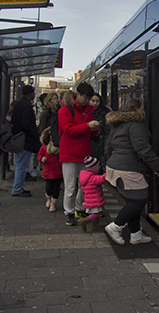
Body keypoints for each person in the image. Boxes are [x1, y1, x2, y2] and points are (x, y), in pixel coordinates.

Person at [104, 98, 159, 245]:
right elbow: (142, 149)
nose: (143, 111)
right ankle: (115, 226)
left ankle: (136, 235)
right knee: (139, 200)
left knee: (132, 200)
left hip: (115, 167)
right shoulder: (136, 125)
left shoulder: (118, 124)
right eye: (142, 108)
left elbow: (108, 147)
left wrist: (113, 161)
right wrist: (156, 166)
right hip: (128, 169)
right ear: (137, 109)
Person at [58, 83, 100, 226]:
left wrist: (95, 129)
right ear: (78, 95)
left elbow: (90, 133)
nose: (87, 101)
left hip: (84, 152)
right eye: (85, 98)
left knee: (84, 184)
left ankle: (79, 207)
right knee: (70, 186)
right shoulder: (65, 110)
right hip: (69, 152)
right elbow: (69, 130)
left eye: (89, 98)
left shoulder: (89, 110)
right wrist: (87, 126)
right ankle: (68, 212)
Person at [11, 85, 41, 197]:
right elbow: (26, 124)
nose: (34, 95)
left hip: (19, 138)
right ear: (30, 94)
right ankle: (17, 189)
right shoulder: (27, 106)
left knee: (20, 163)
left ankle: (17, 187)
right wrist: (34, 134)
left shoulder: (19, 104)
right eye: (33, 92)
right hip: (25, 140)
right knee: (22, 166)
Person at [78, 156, 107, 232]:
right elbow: (102, 179)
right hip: (94, 199)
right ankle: (84, 221)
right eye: (97, 166)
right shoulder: (93, 177)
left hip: (89, 199)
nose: (99, 167)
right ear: (93, 168)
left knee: (96, 212)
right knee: (97, 213)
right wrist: (109, 173)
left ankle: (95, 226)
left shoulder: (86, 176)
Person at [37, 127, 63, 212]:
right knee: (48, 188)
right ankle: (49, 198)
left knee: (56, 189)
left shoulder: (60, 147)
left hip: (58, 172)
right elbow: (39, 156)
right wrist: (42, 158)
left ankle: (53, 203)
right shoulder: (44, 147)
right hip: (48, 172)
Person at [89, 93, 111, 166]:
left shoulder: (105, 112)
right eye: (93, 101)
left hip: (101, 143)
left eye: (97, 101)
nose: (95, 103)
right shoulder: (87, 112)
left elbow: (107, 131)